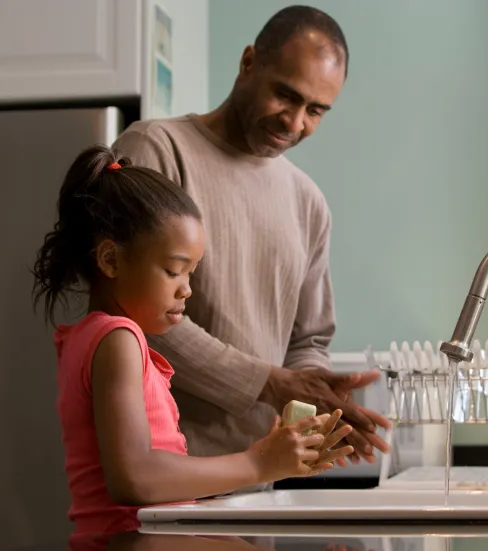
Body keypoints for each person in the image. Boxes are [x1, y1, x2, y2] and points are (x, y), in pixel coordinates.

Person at [112, 5, 391, 471]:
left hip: (257, 477)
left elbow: (308, 338)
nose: (295, 122)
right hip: (159, 473)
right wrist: (271, 383)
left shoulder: (308, 202)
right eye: (286, 94)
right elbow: (134, 313)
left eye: (316, 110)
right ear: (248, 64)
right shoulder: (156, 150)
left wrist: (316, 390)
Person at [31, 144, 353, 536]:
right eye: (173, 271)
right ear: (110, 260)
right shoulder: (118, 339)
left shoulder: (91, 337)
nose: (187, 290)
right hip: (133, 540)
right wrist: (258, 463)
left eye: (191, 274)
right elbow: (134, 478)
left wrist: (273, 456)